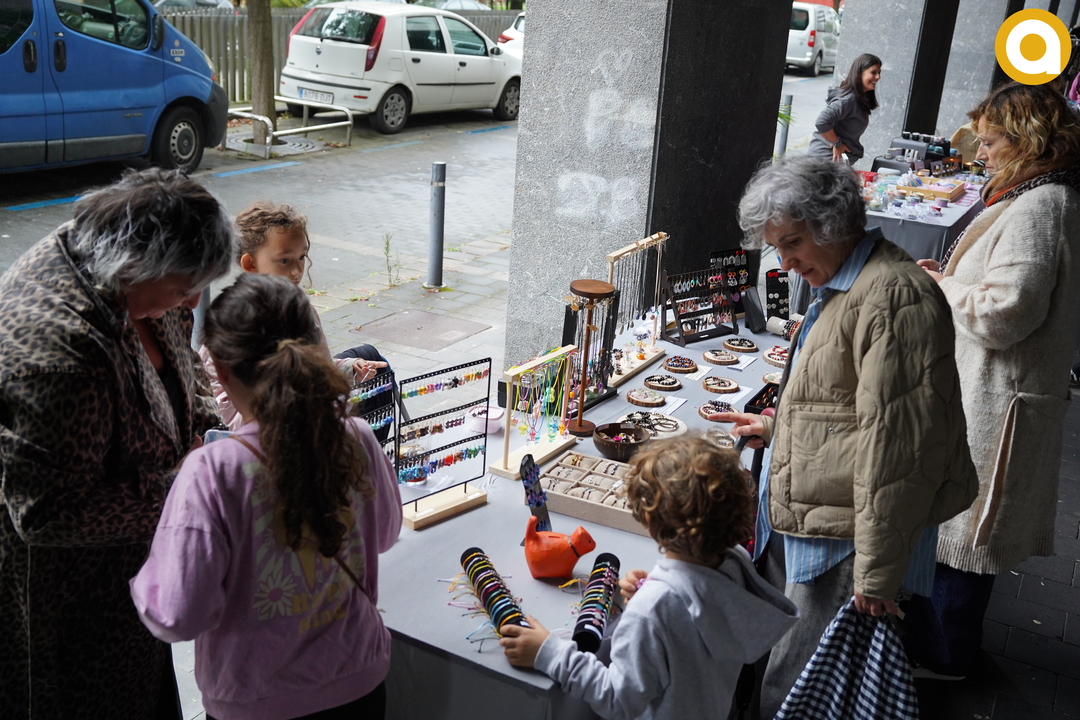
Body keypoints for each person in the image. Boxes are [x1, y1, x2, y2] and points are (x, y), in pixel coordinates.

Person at [712, 156, 977, 718]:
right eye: (776, 248)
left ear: (832, 224)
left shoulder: (893, 298)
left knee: (796, 685)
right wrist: (776, 429)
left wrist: (877, 572)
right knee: (779, 665)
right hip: (820, 514)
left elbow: (901, 451)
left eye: (793, 243)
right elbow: (849, 407)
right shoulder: (852, 280)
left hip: (843, 535)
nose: (785, 263)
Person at [0, 168, 235, 719]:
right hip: (71, 604)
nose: (193, 301)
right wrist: (185, 489)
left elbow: (183, 371)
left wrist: (212, 431)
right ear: (137, 267)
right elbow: (47, 514)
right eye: (183, 288)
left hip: (135, 579)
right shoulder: (59, 352)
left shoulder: (137, 277)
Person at [131, 273, 403, 720]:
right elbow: (385, 534)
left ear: (220, 372)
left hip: (254, 701)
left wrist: (145, 571)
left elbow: (176, 615)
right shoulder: (355, 436)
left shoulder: (211, 472)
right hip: (358, 679)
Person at [905, 82, 1080, 680]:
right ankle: (944, 644)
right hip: (997, 390)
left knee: (970, 527)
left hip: (1000, 397)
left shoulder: (1042, 203)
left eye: (988, 141)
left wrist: (942, 286)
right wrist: (952, 274)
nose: (978, 153)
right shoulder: (1038, 193)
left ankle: (946, 656)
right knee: (962, 518)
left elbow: (1006, 312)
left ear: (1026, 139)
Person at [498, 435, 799, 720]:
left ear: (649, 520)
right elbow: (692, 612)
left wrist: (548, 653)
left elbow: (618, 699)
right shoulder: (735, 563)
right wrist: (652, 587)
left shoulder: (652, 610)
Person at [199, 202, 390, 433]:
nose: (297, 271)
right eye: (284, 260)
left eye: (301, 257)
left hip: (311, 420)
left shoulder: (303, 310)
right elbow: (225, 418)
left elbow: (321, 367)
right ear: (250, 264)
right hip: (270, 436)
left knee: (374, 361)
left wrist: (349, 369)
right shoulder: (231, 326)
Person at [807, 53, 881, 164]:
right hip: (825, 161)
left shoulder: (857, 99)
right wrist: (837, 143)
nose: (878, 77)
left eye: (879, 72)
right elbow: (822, 121)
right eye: (873, 72)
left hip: (830, 162)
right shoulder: (849, 99)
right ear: (859, 73)